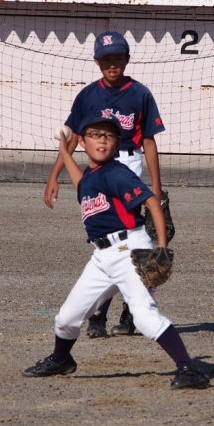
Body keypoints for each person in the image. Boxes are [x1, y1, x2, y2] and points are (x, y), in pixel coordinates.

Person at [24, 114, 208, 389]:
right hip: (101, 258)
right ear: (83, 142)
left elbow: (152, 203)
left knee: (144, 317)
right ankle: (61, 360)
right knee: (66, 319)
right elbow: (80, 183)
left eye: (109, 136)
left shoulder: (117, 173)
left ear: (117, 143)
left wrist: (161, 246)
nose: (102, 140)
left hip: (130, 250)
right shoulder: (90, 177)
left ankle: (189, 369)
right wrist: (64, 152)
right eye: (95, 135)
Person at [44, 30, 166, 338]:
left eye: (118, 58)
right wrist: (54, 175)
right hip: (97, 167)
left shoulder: (140, 93)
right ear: (97, 61)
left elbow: (148, 141)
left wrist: (156, 186)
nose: (112, 64)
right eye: (106, 59)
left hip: (129, 164)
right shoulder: (88, 95)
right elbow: (73, 137)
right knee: (106, 231)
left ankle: (132, 311)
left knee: (131, 235)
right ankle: (99, 313)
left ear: (127, 59)